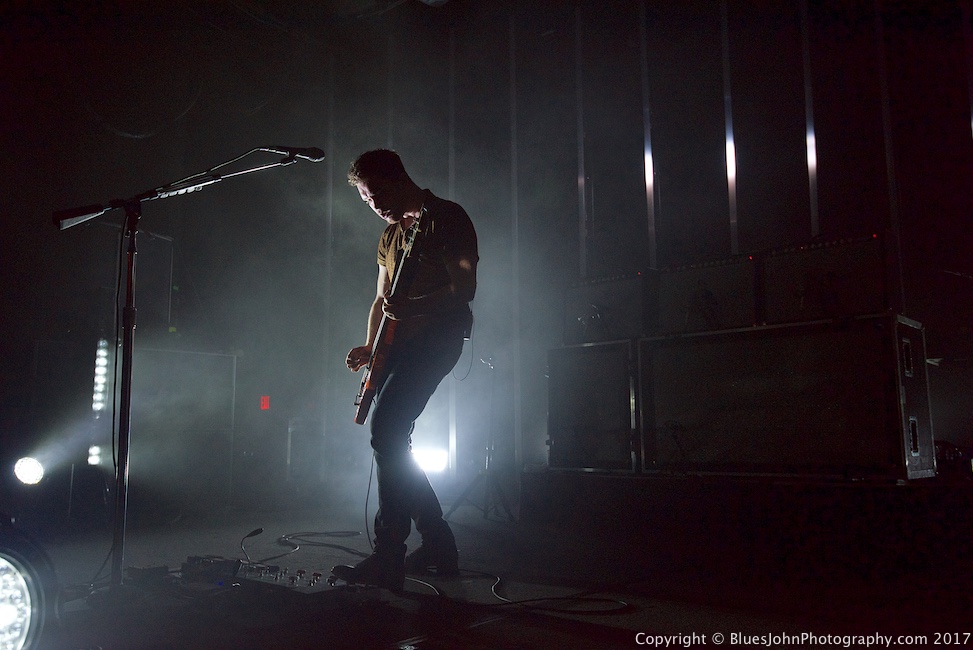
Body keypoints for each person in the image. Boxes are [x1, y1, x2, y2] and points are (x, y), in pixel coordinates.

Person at [332, 149, 477, 591]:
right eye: (366, 201)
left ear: (398, 179)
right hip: (398, 346)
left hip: (438, 340)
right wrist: (370, 346)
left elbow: (465, 288)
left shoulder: (447, 217)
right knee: (393, 439)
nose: (375, 206)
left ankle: (389, 554)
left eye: (377, 194)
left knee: (387, 430)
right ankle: (436, 542)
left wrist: (414, 305)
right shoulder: (390, 237)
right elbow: (381, 300)